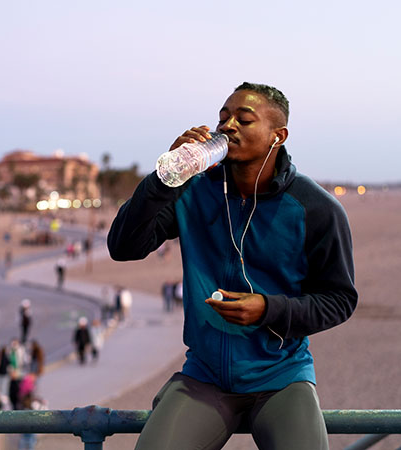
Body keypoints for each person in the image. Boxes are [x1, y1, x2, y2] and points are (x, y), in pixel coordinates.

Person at [107, 82, 358, 450]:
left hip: (281, 376)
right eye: (223, 117)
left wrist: (268, 309)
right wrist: (165, 177)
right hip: (204, 376)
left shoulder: (315, 208)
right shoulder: (191, 190)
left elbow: (339, 299)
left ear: (278, 135)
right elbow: (122, 247)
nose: (228, 127)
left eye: (244, 119)